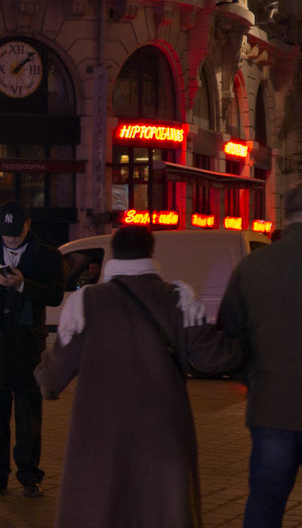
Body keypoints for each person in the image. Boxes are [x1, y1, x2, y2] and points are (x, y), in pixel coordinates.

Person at [36, 224, 241, 528]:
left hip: (100, 434)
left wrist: (42, 375)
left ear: (114, 254)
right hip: (162, 431)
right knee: (160, 509)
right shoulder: (177, 297)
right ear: (150, 252)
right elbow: (212, 357)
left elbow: (54, 375)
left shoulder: (87, 302)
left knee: (102, 510)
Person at [219, 179, 302, 528]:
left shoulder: (252, 267)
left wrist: (254, 378)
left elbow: (229, 336)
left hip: (269, 408)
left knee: (265, 503)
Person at [0, 201, 65, 497]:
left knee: (28, 415)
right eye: (5, 233)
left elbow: (55, 294)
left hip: (27, 343)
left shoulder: (47, 256)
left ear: (28, 225)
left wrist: (23, 285)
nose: (10, 238)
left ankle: (29, 476)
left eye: (15, 233)